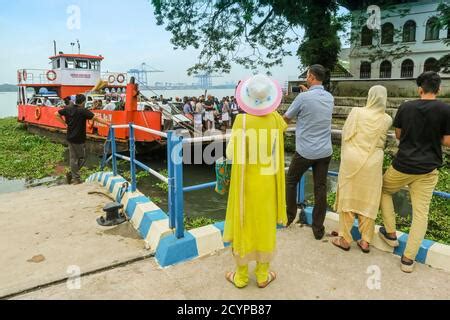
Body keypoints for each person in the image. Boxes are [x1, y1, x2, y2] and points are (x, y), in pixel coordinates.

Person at [379, 71, 450, 273]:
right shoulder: (446, 109)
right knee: (421, 214)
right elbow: (447, 141)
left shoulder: (406, 107)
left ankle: (391, 233)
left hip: (403, 165)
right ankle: (408, 260)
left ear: (420, 88)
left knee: (383, 190)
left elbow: (399, 135)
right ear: (438, 89)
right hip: (428, 169)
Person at [224, 74, 287, 289]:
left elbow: (231, 154)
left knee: (244, 222)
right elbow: (282, 129)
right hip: (268, 183)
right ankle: (262, 275)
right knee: (265, 224)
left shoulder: (241, 122)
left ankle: (240, 276)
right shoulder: (276, 119)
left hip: (245, 184)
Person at [331, 86, 392, 253]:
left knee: (348, 196)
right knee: (369, 199)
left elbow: (346, 134)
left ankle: (344, 238)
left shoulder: (357, 112)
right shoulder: (387, 119)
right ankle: (365, 241)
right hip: (373, 162)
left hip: (352, 159)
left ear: (370, 96)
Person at [283, 64, 334, 240]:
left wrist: (303, 96)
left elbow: (286, 118)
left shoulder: (303, 98)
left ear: (311, 77)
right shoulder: (329, 97)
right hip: (325, 151)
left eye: (307, 76)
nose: (306, 78)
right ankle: (318, 229)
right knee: (320, 188)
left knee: (291, 181)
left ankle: (289, 217)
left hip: (306, 151)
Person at [55, 94, 110, 185]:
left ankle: (73, 175)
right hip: (79, 138)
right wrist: (108, 124)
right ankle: (75, 178)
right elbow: (96, 118)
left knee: (74, 158)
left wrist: (65, 124)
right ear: (83, 102)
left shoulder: (68, 108)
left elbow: (56, 114)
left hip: (70, 137)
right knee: (82, 158)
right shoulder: (83, 111)